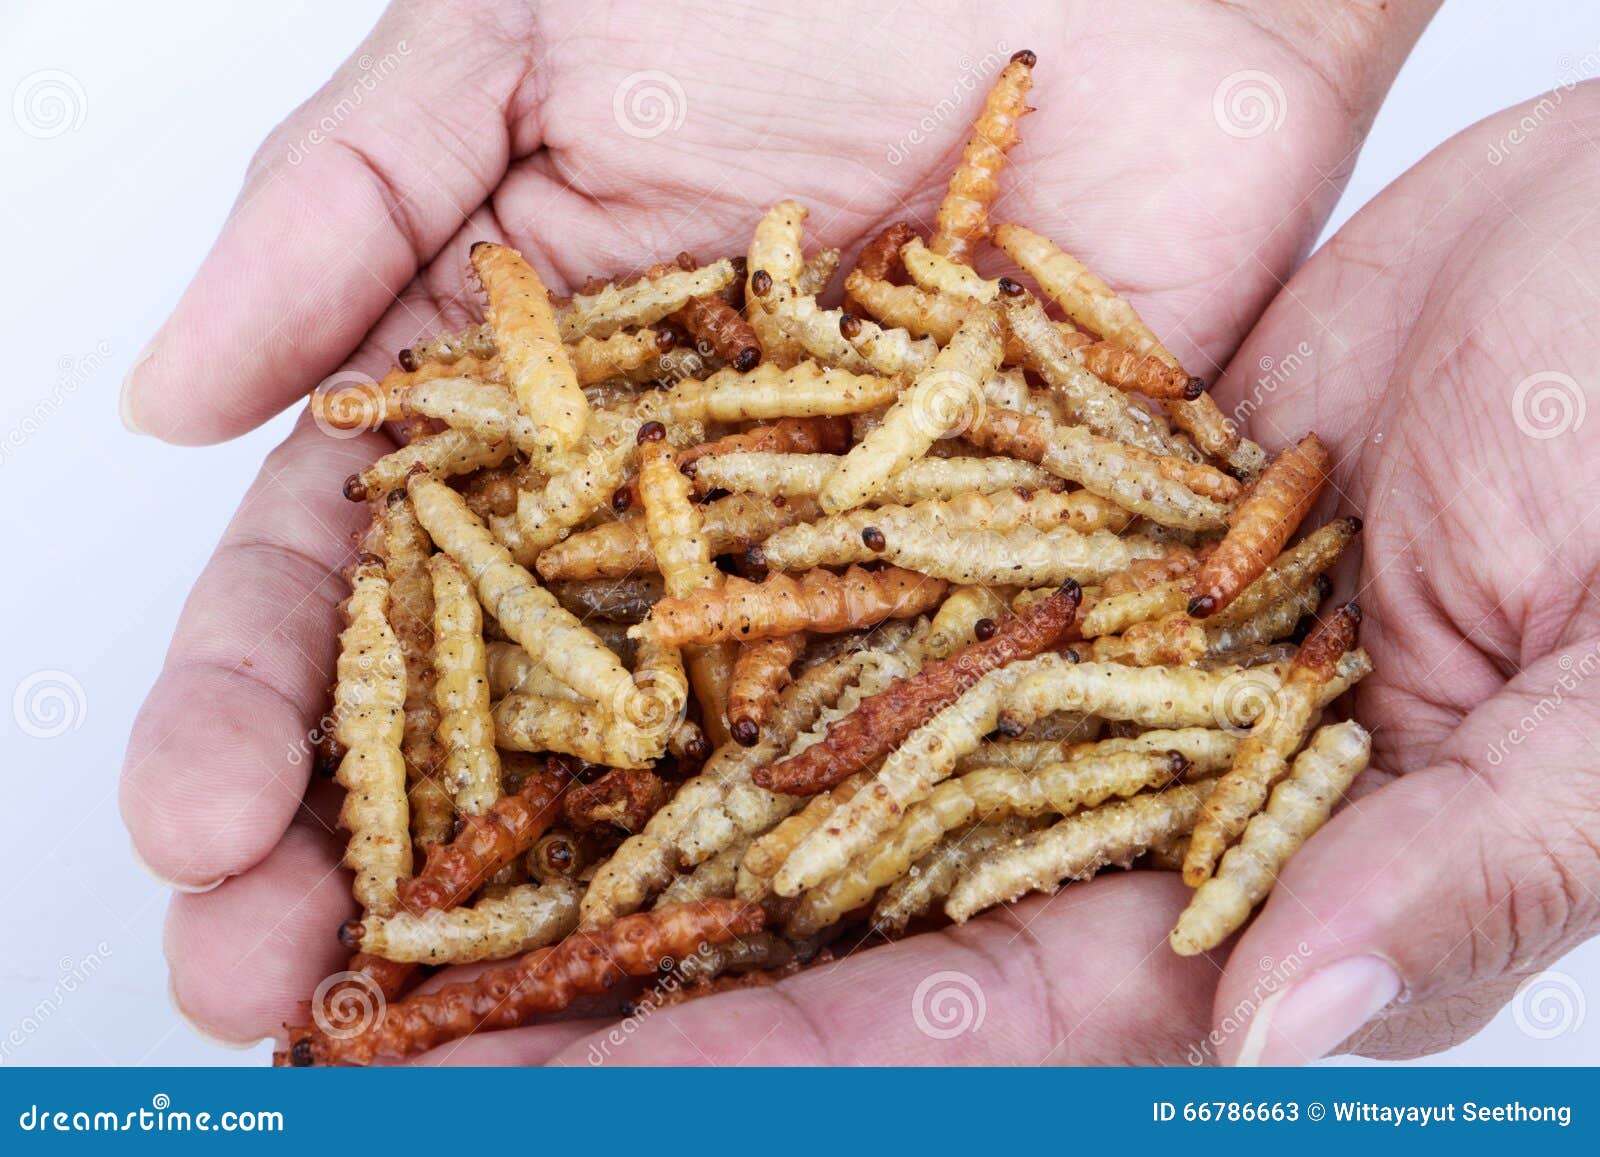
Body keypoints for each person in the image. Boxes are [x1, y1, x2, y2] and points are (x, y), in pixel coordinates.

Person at [120, 0, 1599, 1065]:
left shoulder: (1129, 531)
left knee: (948, 706)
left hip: (1054, 617)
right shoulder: (540, 488)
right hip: (787, 613)